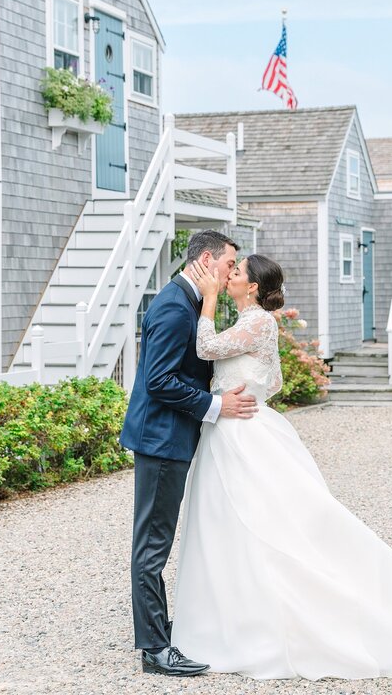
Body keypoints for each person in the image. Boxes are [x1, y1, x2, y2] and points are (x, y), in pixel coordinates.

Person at [171, 253, 392, 680]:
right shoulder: (254, 324)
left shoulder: (257, 321)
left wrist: (209, 301)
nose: (227, 275)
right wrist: (247, 388)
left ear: (251, 287)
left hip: (241, 433)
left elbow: (206, 347)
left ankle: (268, 623)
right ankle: (235, 616)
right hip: (234, 427)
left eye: (235, 272)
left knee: (259, 522)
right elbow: (274, 381)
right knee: (227, 524)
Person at [119, 230, 258, 677]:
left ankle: (159, 630)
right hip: (161, 440)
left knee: (157, 538)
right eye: (228, 264)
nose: (232, 272)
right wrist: (217, 405)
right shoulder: (175, 307)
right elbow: (158, 381)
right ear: (206, 259)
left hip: (172, 437)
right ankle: (155, 651)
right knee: (153, 544)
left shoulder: (190, 303)